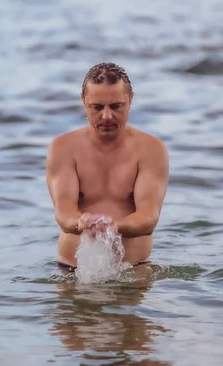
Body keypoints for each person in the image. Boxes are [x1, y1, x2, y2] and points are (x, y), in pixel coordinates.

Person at [45, 62, 169, 272]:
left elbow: (149, 217)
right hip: (71, 272)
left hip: (133, 271)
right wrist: (82, 222)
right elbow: (63, 210)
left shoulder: (151, 149)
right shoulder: (63, 148)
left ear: (130, 100)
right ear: (84, 102)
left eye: (116, 106)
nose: (106, 116)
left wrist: (111, 227)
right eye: (97, 107)